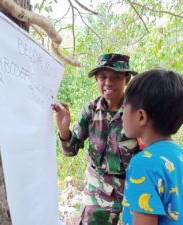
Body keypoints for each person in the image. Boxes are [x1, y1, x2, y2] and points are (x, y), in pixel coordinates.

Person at [52, 53, 140, 225]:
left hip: (133, 185)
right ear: (96, 80)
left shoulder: (137, 111)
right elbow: (71, 149)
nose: (108, 82)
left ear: (127, 79)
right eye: (103, 77)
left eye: (116, 77)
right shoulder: (90, 110)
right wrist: (64, 130)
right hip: (98, 186)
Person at [121, 69, 183, 225]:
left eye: (124, 109)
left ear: (141, 116)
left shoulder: (143, 164)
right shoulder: (178, 153)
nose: (121, 116)